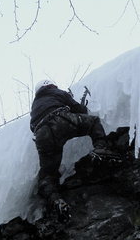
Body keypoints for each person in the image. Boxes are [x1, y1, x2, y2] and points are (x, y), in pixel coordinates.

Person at [30, 80, 118, 216]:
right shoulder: (55, 92)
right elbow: (77, 108)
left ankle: (55, 199)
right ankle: (101, 149)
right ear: (50, 85)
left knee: (48, 172)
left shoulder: (35, 105)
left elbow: (32, 126)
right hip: (59, 119)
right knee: (93, 122)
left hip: (41, 133)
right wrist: (81, 110)